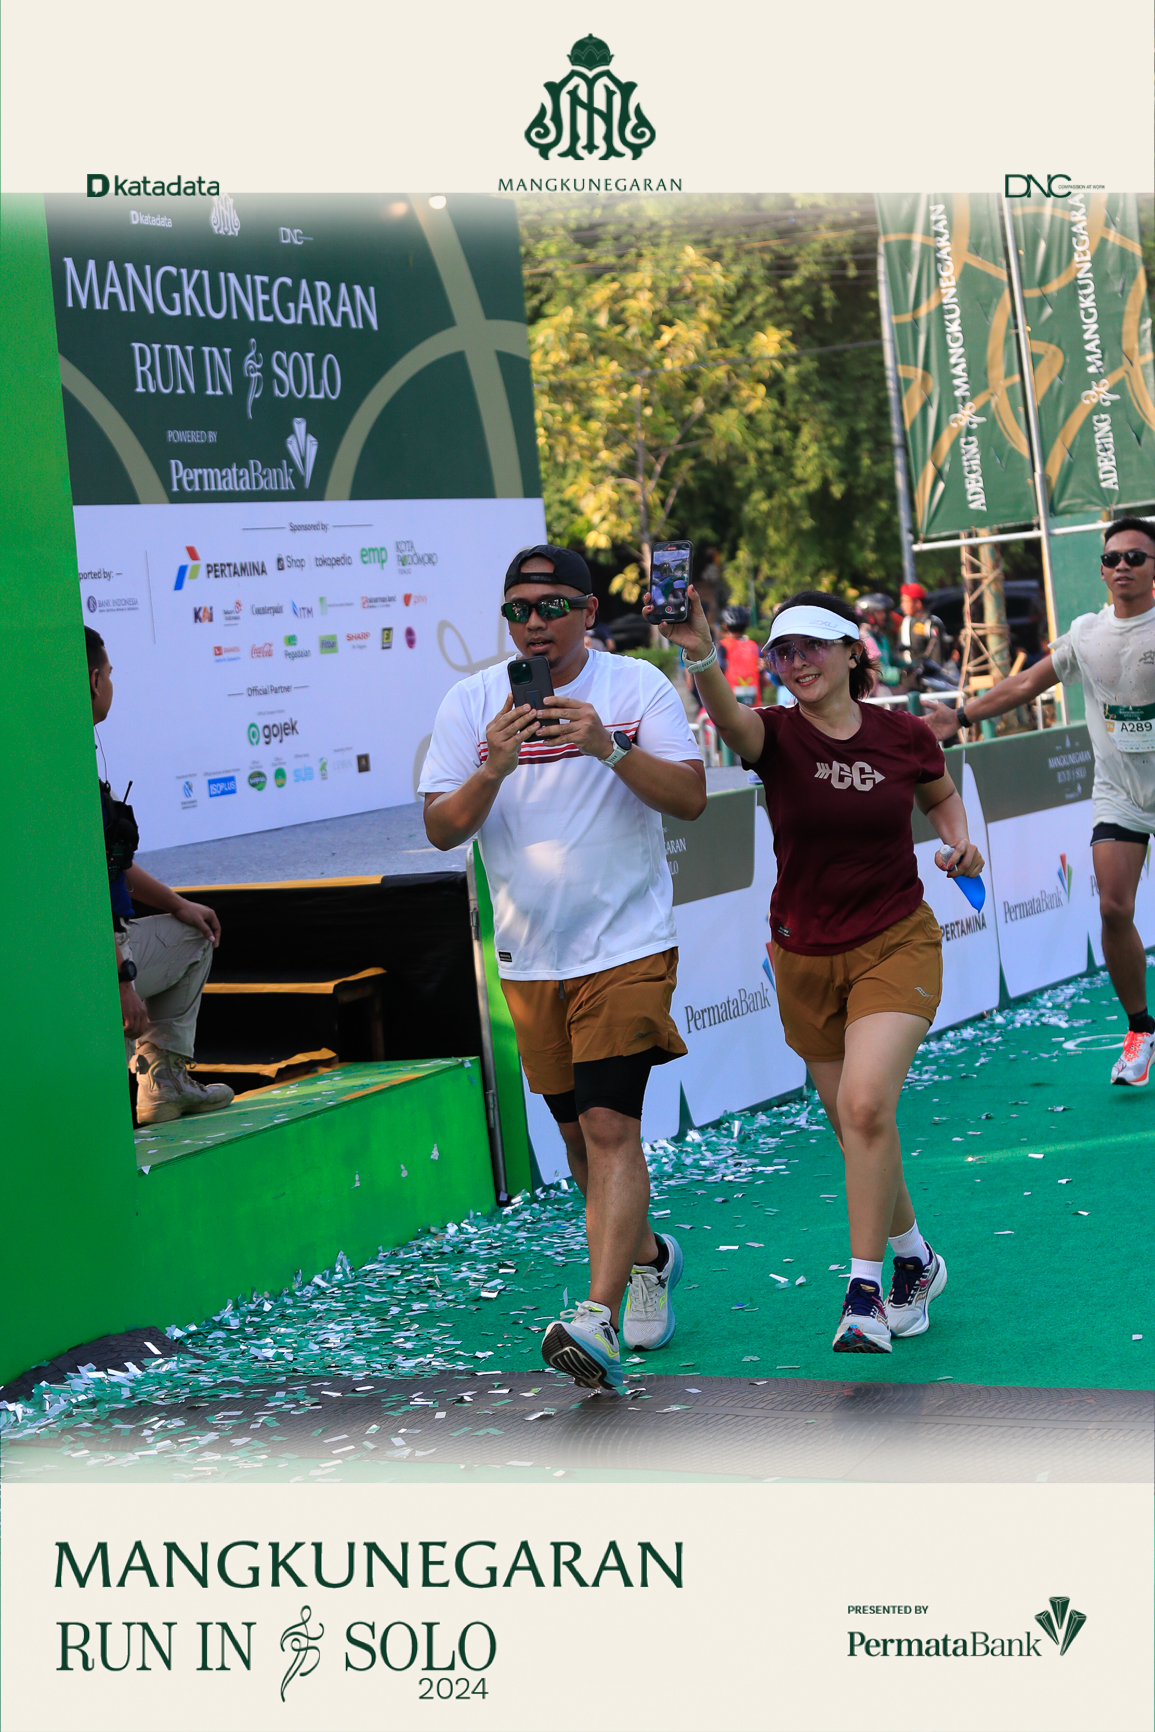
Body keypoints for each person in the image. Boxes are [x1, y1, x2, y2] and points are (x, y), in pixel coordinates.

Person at [651, 587, 983, 1354]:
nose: (795, 662)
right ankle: (915, 1260)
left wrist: (957, 841)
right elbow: (725, 714)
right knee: (854, 1125)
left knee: (864, 1106)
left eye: (810, 647)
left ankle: (862, 1294)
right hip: (802, 955)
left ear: (849, 652)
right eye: (782, 651)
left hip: (895, 941)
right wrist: (700, 650)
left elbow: (939, 796)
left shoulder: (904, 735)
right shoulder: (771, 735)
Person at [419, 544, 707, 1392]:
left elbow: (690, 798)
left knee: (611, 1129)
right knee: (580, 1144)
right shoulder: (471, 703)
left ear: (586, 611)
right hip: (529, 960)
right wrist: (491, 768)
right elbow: (440, 829)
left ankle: (596, 1318)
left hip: (626, 947)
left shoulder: (635, 688)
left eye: (550, 607)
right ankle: (648, 1258)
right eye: (517, 609)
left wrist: (607, 748)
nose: (533, 624)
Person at [923, 516, 1155, 1087]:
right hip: (1120, 796)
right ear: (1101, 571)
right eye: (1112, 558)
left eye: (1135, 557)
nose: (1121, 566)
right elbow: (1027, 683)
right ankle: (1141, 1030)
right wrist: (959, 717)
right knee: (1113, 909)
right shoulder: (1086, 635)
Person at [86, 628, 233, 1126]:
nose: (111, 684)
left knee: (190, 922)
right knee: (196, 940)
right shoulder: (70, 771)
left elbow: (115, 865)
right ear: (93, 680)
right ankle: (159, 1081)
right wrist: (123, 982)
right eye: (110, 675)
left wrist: (178, 904)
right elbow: (100, 889)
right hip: (88, 966)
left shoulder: (37, 756)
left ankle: (158, 1085)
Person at [717, 605, 764, 705]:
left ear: (725, 626)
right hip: (754, 701)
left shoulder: (723, 646)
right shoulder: (754, 645)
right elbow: (762, 674)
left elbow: (718, 670)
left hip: (731, 702)